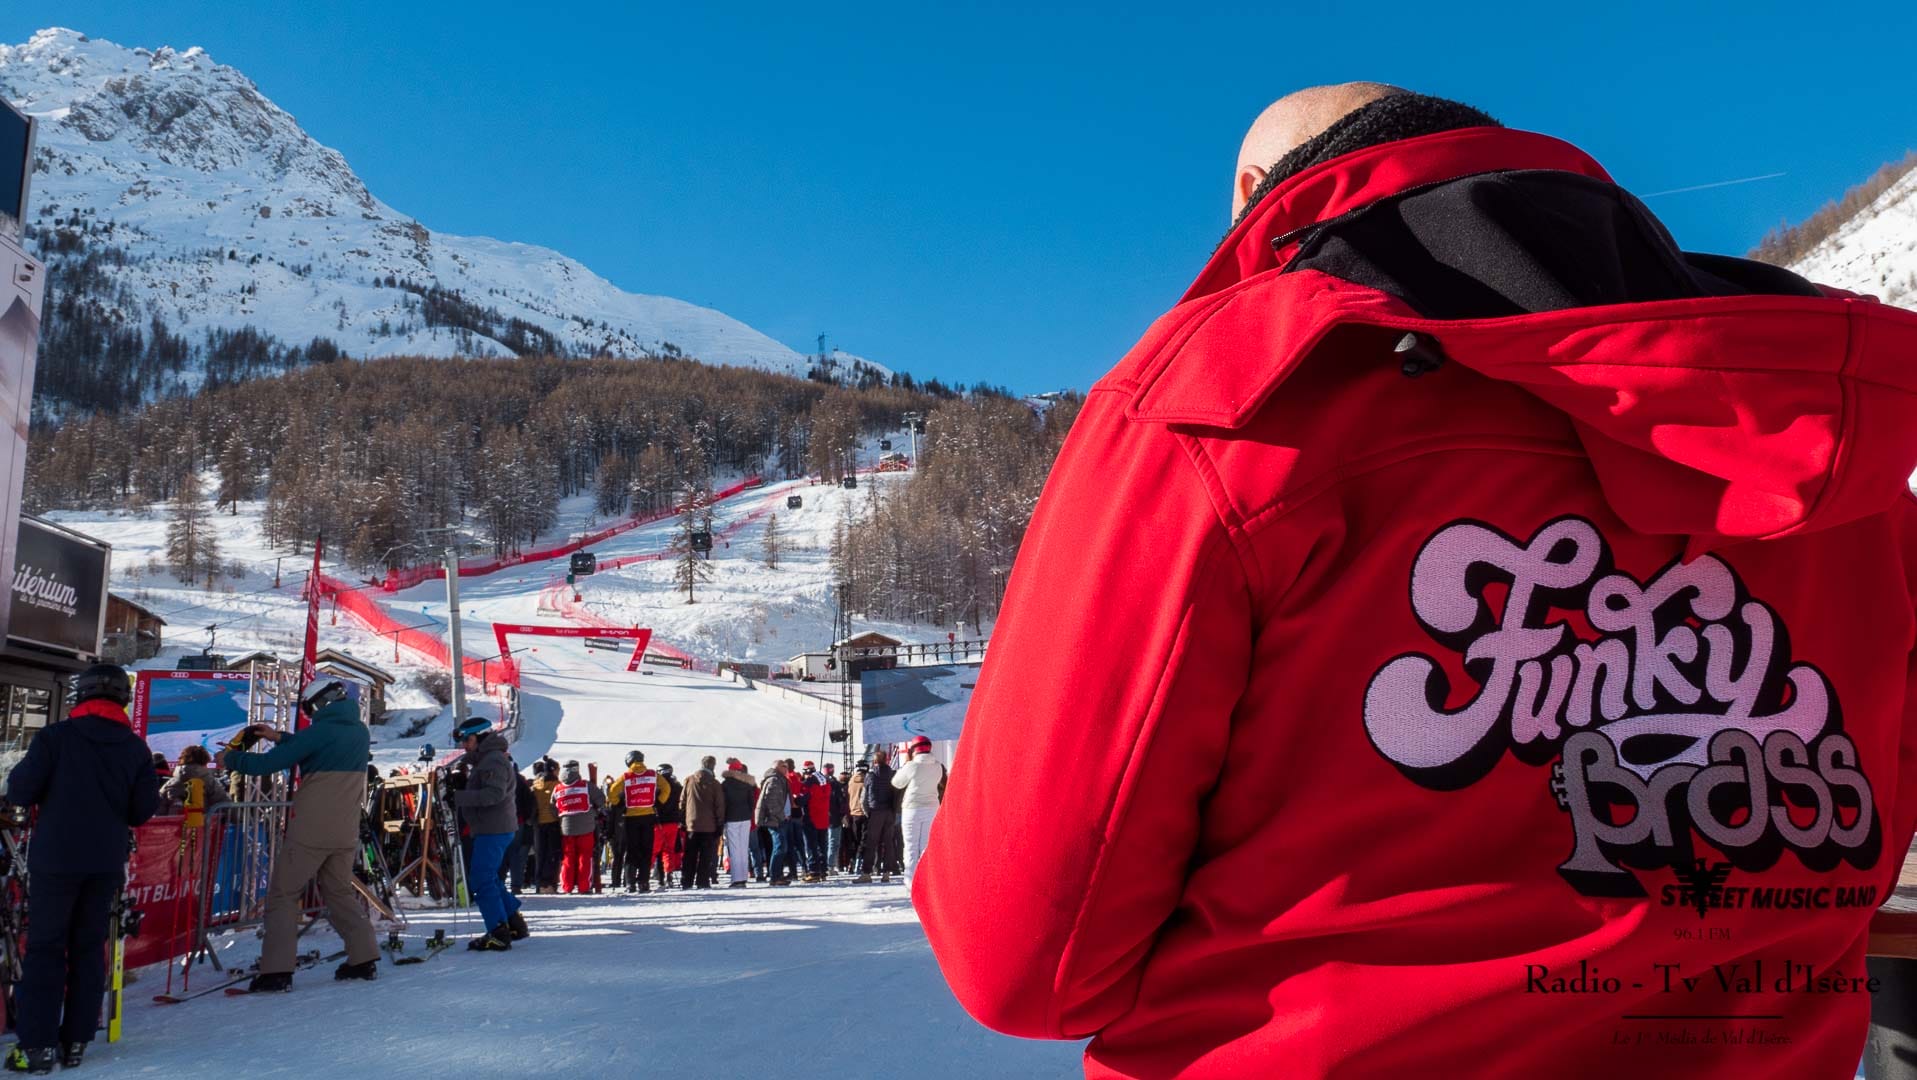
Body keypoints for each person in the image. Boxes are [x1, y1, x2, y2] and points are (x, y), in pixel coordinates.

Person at [914, 84, 1917, 1077]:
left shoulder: (1227, 395)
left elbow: (1022, 960)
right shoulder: (1828, 436)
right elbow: (1866, 845)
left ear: (1256, 193)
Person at [3, 664, 158, 1074]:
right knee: (89, 948)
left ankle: (36, 1046)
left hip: (56, 860)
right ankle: (76, 1041)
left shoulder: (56, 737)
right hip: (105, 862)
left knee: (46, 948)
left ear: (81, 694)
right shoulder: (135, 748)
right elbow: (142, 810)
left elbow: (20, 789)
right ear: (122, 698)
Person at [216, 678, 380, 992]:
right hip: (345, 830)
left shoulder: (318, 732)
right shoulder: (359, 731)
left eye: (308, 709)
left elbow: (267, 764)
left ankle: (277, 971)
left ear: (318, 704)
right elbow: (316, 746)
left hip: (312, 829)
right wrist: (279, 737)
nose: (309, 714)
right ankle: (364, 958)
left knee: (283, 895)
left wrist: (231, 759)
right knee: (338, 892)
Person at [451, 717, 527, 950]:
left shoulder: (493, 760)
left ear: (480, 737)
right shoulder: (487, 759)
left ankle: (498, 932)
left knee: (481, 879)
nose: (464, 745)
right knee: (490, 877)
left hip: (493, 828)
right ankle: (513, 922)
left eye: (467, 739)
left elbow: (493, 794)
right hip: (491, 827)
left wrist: (458, 797)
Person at [891, 736, 944, 887]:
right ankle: (926, 881)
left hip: (912, 808)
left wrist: (906, 764)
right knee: (926, 846)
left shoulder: (912, 765)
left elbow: (897, 783)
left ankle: (911, 882)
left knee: (910, 847)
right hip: (932, 807)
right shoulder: (938, 766)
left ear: (914, 749)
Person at [607, 751, 660, 892]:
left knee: (631, 851)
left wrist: (619, 804)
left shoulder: (626, 776)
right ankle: (644, 882)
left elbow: (612, 792)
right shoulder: (653, 775)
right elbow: (666, 788)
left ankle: (630, 883)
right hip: (648, 816)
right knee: (646, 850)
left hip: (631, 818)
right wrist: (658, 801)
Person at [551, 761, 602, 894]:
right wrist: (594, 812)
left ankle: (567, 886)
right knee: (585, 857)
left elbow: (553, 808)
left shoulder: (558, 788)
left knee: (568, 858)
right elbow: (601, 800)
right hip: (586, 828)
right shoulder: (586, 786)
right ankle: (584, 887)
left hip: (566, 829)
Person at [680, 756, 724, 890]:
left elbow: (682, 801)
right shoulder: (715, 784)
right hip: (709, 826)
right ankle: (702, 881)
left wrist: (683, 819)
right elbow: (719, 805)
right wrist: (720, 823)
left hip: (691, 825)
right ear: (713, 766)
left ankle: (686, 881)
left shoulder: (689, 780)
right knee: (706, 856)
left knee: (690, 855)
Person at [858, 750, 897, 884]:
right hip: (889, 811)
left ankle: (866, 873)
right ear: (886, 760)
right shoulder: (892, 774)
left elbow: (864, 797)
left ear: (874, 761)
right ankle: (886, 873)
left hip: (875, 811)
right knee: (889, 843)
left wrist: (867, 812)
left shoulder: (870, 775)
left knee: (871, 843)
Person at [159, 744, 229, 816]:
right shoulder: (209, 781)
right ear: (205, 760)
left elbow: (159, 806)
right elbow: (225, 803)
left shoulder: (171, 782)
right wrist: (236, 819)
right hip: (204, 821)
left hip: (175, 822)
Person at [755, 761, 793, 886]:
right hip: (775, 820)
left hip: (778, 819)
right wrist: (781, 816)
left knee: (780, 847)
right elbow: (771, 802)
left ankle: (777, 875)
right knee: (780, 847)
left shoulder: (780, 779)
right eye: (784, 766)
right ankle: (775, 876)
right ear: (777, 767)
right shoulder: (774, 780)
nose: (786, 768)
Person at [720, 759, 756, 888]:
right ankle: (743, 877)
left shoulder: (725, 784)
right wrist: (748, 814)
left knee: (734, 849)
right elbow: (752, 802)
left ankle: (737, 879)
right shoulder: (747, 783)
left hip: (731, 818)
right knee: (743, 848)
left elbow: (723, 803)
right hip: (745, 818)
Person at [529, 760, 561, 892]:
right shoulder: (557, 785)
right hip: (553, 822)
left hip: (538, 823)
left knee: (540, 854)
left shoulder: (537, 784)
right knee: (552, 854)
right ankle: (549, 884)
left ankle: (539, 884)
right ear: (554, 770)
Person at [798, 761, 831, 882]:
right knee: (823, 846)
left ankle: (814, 872)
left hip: (811, 818)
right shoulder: (826, 783)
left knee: (811, 846)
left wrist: (796, 798)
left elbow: (802, 801)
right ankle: (823, 870)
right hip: (823, 818)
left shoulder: (808, 784)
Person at [651, 762, 683, 888]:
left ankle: (644, 875)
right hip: (673, 823)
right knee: (668, 850)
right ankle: (669, 875)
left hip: (658, 822)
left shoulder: (657, 787)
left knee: (653, 850)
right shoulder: (677, 787)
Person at [507, 769, 536, 895]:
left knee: (501, 853)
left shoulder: (493, 775)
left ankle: (499, 883)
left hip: (499, 822)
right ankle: (516, 885)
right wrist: (527, 818)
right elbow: (529, 801)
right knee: (516, 854)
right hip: (518, 821)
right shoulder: (519, 780)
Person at [844, 761, 868, 878]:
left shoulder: (851, 781)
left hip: (853, 813)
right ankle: (859, 863)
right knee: (863, 840)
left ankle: (851, 863)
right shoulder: (866, 781)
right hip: (864, 813)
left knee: (854, 840)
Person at [824, 763, 850, 872]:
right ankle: (830, 866)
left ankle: (825, 865)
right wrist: (843, 815)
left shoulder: (820, 782)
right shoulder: (835, 784)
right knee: (833, 842)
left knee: (825, 842)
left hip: (823, 816)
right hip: (834, 817)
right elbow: (840, 801)